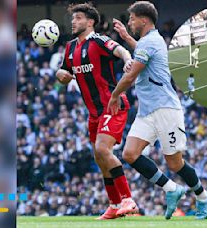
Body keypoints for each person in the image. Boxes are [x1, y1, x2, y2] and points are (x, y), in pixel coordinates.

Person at [109, 1, 207, 220]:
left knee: (175, 162)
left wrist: (115, 95)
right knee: (129, 154)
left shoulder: (151, 42)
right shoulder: (150, 41)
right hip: (147, 112)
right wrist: (127, 38)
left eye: (132, 18)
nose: (130, 22)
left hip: (165, 109)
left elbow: (130, 76)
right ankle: (172, 189)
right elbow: (142, 53)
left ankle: (203, 197)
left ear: (143, 20)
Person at [56, 3, 137, 220]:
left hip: (113, 104)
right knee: (100, 159)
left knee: (103, 150)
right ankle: (114, 204)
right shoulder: (70, 47)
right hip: (93, 113)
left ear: (90, 22)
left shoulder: (98, 41)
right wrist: (59, 75)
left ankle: (128, 199)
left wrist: (128, 60)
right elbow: (64, 71)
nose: (74, 21)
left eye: (79, 17)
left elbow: (120, 49)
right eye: (73, 18)